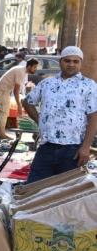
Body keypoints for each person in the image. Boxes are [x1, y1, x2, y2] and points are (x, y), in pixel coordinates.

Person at [23, 46, 97, 183]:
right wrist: (41, 121)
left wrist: (86, 147)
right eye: (67, 60)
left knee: (65, 194)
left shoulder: (88, 85)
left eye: (76, 61)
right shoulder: (47, 83)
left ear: (81, 63)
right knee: (33, 190)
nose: (71, 64)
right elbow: (27, 102)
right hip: (46, 147)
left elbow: (93, 117)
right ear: (60, 61)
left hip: (73, 150)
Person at [0, 58, 39, 139]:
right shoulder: (21, 71)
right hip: (2, 90)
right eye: (34, 67)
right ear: (29, 66)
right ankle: (1, 134)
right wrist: (19, 105)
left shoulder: (23, 71)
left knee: (3, 112)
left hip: (4, 90)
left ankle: (0, 133)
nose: (35, 69)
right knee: (3, 112)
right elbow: (16, 91)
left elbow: (19, 89)